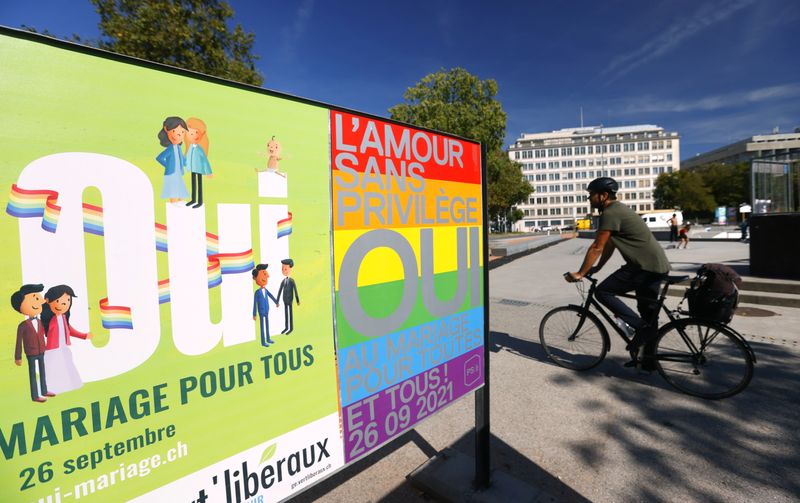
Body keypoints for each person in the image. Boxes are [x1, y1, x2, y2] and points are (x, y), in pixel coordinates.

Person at [566, 177, 671, 366]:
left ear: (603, 195)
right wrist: (597, 267)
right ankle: (648, 361)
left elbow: (597, 246)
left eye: (591, 195)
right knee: (648, 314)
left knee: (603, 292)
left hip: (643, 268)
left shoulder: (611, 213)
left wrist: (581, 273)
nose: (589, 199)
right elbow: (610, 244)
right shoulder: (619, 210)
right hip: (656, 266)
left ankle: (640, 329)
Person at [41, 285, 93, 394]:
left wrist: (83, 336)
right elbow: (40, 333)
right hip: (52, 349)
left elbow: (69, 330)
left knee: (67, 365)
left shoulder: (63, 317)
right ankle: (48, 388)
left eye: (68, 300)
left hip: (63, 347)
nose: (64, 304)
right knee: (51, 368)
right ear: (48, 301)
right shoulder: (48, 320)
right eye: (59, 300)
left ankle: (72, 384)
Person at [11, 284, 55, 402]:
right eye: (35, 298)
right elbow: (18, 342)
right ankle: (35, 395)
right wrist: (18, 357)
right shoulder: (23, 326)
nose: (40, 302)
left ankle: (44, 390)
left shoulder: (39, 321)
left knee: (42, 371)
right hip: (30, 352)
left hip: (41, 350)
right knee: (32, 374)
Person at [156, 116, 189, 203]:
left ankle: (181, 205)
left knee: (181, 192)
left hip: (179, 173)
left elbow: (182, 159)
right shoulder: (170, 149)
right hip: (171, 174)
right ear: (166, 130)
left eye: (182, 132)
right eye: (175, 131)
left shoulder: (178, 148)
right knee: (173, 192)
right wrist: (168, 166)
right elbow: (159, 158)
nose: (179, 135)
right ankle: (173, 206)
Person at [184, 117, 213, 208]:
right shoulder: (190, 148)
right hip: (192, 169)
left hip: (199, 169)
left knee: (199, 185)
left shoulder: (199, 149)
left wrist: (209, 172)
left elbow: (205, 161)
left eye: (197, 133)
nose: (194, 136)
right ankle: (193, 199)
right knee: (193, 184)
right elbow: (187, 158)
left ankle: (199, 201)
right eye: (191, 133)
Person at [252, 264, 278, 347]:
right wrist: (254, 314)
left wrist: (276, 302)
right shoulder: (257, 292)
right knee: (262, 327)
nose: (267, 276)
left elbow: (271, 296)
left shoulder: (266, 290)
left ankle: (268, 339)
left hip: (267, 310)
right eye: (264, 274)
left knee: (267, 325)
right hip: (261, 311)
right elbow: (255, 303)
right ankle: (263, 342)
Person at [277, 258, 300, 334]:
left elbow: (295, 290)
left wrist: (297, 300)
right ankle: (286, 327)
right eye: (282, 269)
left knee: (290, 313)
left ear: (290, 268)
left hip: (290, 300)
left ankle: (291, 328)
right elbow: (280, 291)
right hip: (284, 300)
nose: (283, 271)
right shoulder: (283, 281)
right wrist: (277, 301)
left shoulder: (292, 281)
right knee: (286, 313)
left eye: (285, 269)